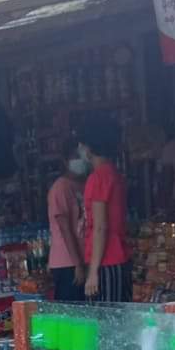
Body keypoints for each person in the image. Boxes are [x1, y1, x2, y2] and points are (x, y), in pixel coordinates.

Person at [78, 118, 131, 303]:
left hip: (106, 261)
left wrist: (93, 272)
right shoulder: (112, 173)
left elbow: (101, 227)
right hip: (117, 258)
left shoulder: (98, 178)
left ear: (90, 148)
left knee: (104, 321)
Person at [47, 139, 88, 303]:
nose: (80, 160)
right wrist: (77, 264)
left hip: (81, 259)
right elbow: (65, 228)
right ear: (65, 161)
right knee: (71, 313)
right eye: (75, 156)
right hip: (67, 262)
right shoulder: (60, 188)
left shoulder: (82, 184)